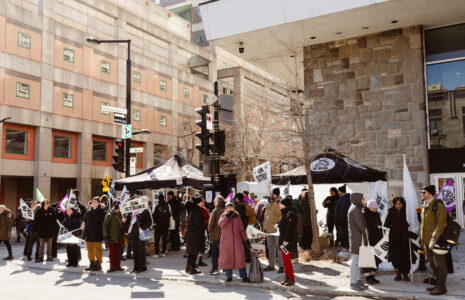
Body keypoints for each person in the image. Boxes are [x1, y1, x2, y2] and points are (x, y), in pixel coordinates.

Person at [421, 185, 448, 296]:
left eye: (424, 192)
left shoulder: (438, 205)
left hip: (437, 241)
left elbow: (441, 224)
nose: (422, 194)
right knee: (432, 264)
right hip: (427, 242)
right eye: (422, 192)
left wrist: (433, 239)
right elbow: (423, 225)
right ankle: (437, 284)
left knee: (440, 265)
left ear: (430, 193)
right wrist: (423, 242)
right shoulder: (425, 205)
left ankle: (441, 287)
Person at [218, 202, 250, 283]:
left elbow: (241, 230)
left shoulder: (237, 217)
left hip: (237, 241)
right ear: (226, 208)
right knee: (228, 259)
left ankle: (244, 276)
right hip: (226, 243)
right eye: (228, 207)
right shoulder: (223, 216)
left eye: (231, 207)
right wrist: (226, 216)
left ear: (234, 208)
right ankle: (229, 277)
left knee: (240, 258)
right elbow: (220, 224)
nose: (230, 209)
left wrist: (246, 240)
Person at [384, 197, 411, 281]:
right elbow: (386, 225)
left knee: (405, 258)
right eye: (396, 204)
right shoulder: (391, 212)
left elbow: (410, 222)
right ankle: (398, 274)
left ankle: (405, 274)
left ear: (403, 204)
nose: (398, 205)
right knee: (395, 258)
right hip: (394, 239)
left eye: (400, 204)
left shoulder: (406, 212)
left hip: (404, 239)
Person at [348, 193, 368, 291]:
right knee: (355, 262)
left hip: (358, 239)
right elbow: (361, 226)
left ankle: (358, 280)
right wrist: (366, 231)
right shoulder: (355, 210)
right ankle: (353, 282)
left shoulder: (357, 209)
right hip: (357, 239)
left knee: (358, 262)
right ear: (358, 199)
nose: (364, 200)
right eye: (363, 199)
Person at [82, 196, 106, 271]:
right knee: (90, 250)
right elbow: (85, 221)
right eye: (93, 201)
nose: (93, 203)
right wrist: (83, 225)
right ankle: (92, 264)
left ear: (99, 203)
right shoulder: (88, 212)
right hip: (88, 234)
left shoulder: (102, 212)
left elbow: (103, 224)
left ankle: (98, 265)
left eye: (95, 201)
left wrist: (98, 231)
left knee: (98, 250)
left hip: (97, 234)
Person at [263, 188, 284, 273]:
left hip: (277, 229)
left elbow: (280, 213)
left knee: (279, 248)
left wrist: (274, 203)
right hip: (269, 229)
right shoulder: (269, 203)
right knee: (270, 248)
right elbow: (266, 217)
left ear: (277, 195)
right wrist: (265, 228)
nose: (272, 196)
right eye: (271, 194)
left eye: (273, 194)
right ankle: (271, 265)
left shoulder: (280, 202)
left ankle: (281, 266)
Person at [362, 200, 383, 285]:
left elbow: (379, 223)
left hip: (377, 238)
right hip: (369, 239)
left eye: (376, 208)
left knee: (376, 259)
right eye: (373, 208)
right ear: (369, 207)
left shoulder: (377, 214)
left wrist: (380, 228)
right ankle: (368, 277)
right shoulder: (364, 214)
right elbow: (364, 226)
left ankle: (373, 276)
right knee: (368, 258)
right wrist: (375, 227)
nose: (375, 209)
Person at [185, 196, 207, 274]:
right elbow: (199, 223)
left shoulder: (193, 210)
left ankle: (188, 267)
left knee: (191, 252)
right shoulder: (197, 211)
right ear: (198, 203)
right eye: (202, 202)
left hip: (192, 234)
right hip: (195, 235)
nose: (203, 203)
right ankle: (192, 269)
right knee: (194, 252)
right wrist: (206, 224)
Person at [278, 195, 297, 286]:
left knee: (287, 261)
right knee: (285, 261)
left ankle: (291, 278)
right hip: (283, 242)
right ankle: (287, 277)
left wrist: (285, 241)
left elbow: (290, 229)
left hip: (287, 242)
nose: (279, 205)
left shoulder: (290, 214)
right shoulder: (284, 213)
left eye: (281, 204)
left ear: (284, 205)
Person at [128, 205, 152, 273]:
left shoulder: (144, 211)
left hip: (141, 234)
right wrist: (125, 221)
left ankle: (142, 267)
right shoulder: (132, 211)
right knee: (135, 251)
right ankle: (136, 267)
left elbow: (149, 223)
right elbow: (129, 222)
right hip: (133, 233)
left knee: (141, 251)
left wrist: (142, 228)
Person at [103, 202, 126, 272]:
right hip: (111, 237)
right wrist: (106, 237)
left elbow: (124, 227)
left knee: (118, 253)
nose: (117, 207)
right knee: (112, 253)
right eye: (116, 206)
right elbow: (105, 226)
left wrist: (124, 222)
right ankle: (112, 267)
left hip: (119, 237)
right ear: (113, 206)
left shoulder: (121, 215)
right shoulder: (109, 215)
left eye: (118, 206)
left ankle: (118, 266)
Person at [208, 195, 225, 275]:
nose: (214, 203)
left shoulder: (215, 211)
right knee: (224, 253)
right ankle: (225, 268)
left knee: (214, 254)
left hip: (216, 235)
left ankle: (215, 269)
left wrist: (209, 230)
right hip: (225, 235)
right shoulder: (226, 210)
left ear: (217, 202)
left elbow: (211, 223)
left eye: (215, 201)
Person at [234, 193, 251, 262]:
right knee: (245, 241)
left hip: (241, 226)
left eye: (235, 198)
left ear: (237, 198)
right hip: (245, 225)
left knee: (243, 242)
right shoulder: (245, 204)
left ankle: (246, 257)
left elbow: (238, 217)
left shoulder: (239, 206)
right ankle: (247, 257)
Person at [334, 185, 350, 249]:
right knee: (345, 233)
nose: (337, 192)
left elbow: (343, 210)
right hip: (344, 219)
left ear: (341, 191)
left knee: (345, 233)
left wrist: (340, 219)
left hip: (343, 220)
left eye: (338, 191)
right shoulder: (346, 198)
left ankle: (346, 246)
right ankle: (346, 245)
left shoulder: (344, 199)